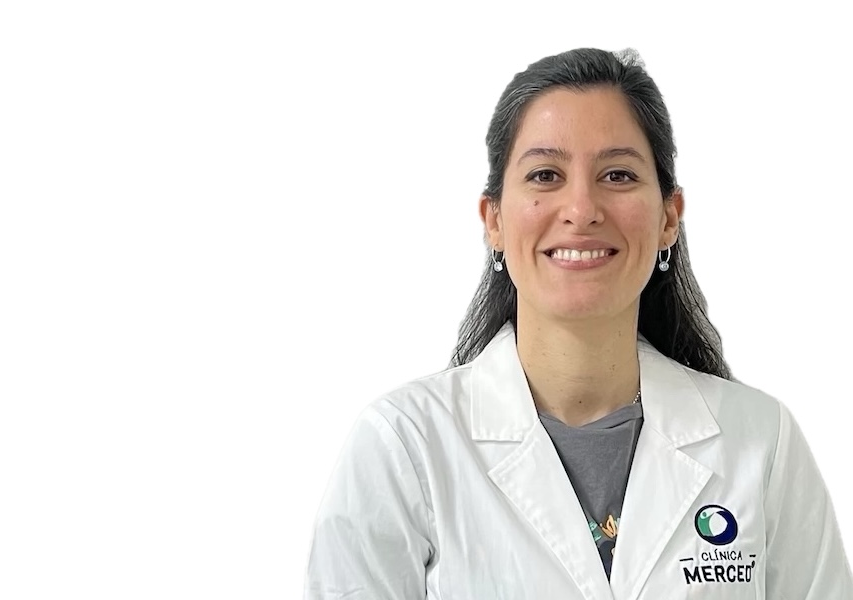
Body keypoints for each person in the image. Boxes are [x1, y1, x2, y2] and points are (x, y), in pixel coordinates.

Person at [303, 48, 853, 599]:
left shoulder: (760, 442)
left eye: (618, 174)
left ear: (669, 217)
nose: (582, 208)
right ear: (494, 220)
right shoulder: (404, 446)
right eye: (545, 175)